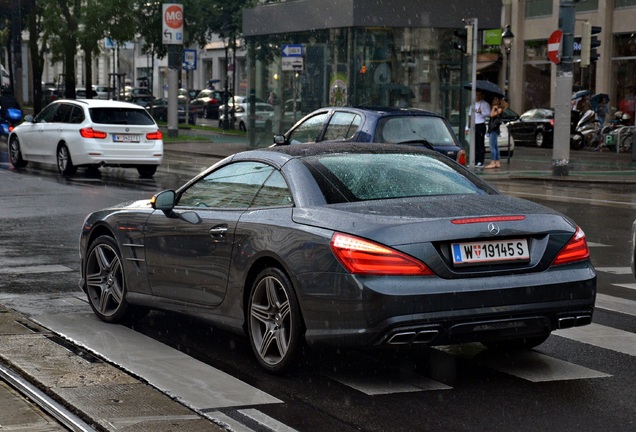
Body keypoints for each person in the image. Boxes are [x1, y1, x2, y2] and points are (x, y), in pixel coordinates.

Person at [465, 90, 490, 167]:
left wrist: (481, 112)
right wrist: (467, 127)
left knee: (480, 143)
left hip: (480, 124)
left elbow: (489, 114)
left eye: (479, 95)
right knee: (474, 143)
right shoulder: (472, 104)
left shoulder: (485, 104)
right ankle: (474, 160)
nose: (477, 97)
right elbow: (469, 116)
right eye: (476, 95)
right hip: (473, 125)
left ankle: (480, 161)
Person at [485, 96, 508, 169]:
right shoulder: (497, 109)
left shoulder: (499, 109)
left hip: (494, 129)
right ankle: (497, 161)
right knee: (495, 146)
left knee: (492, 146)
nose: (493, 101)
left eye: (495, 100)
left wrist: (494, 107)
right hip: (494, 128)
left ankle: (493, 162)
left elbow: (491, 115)